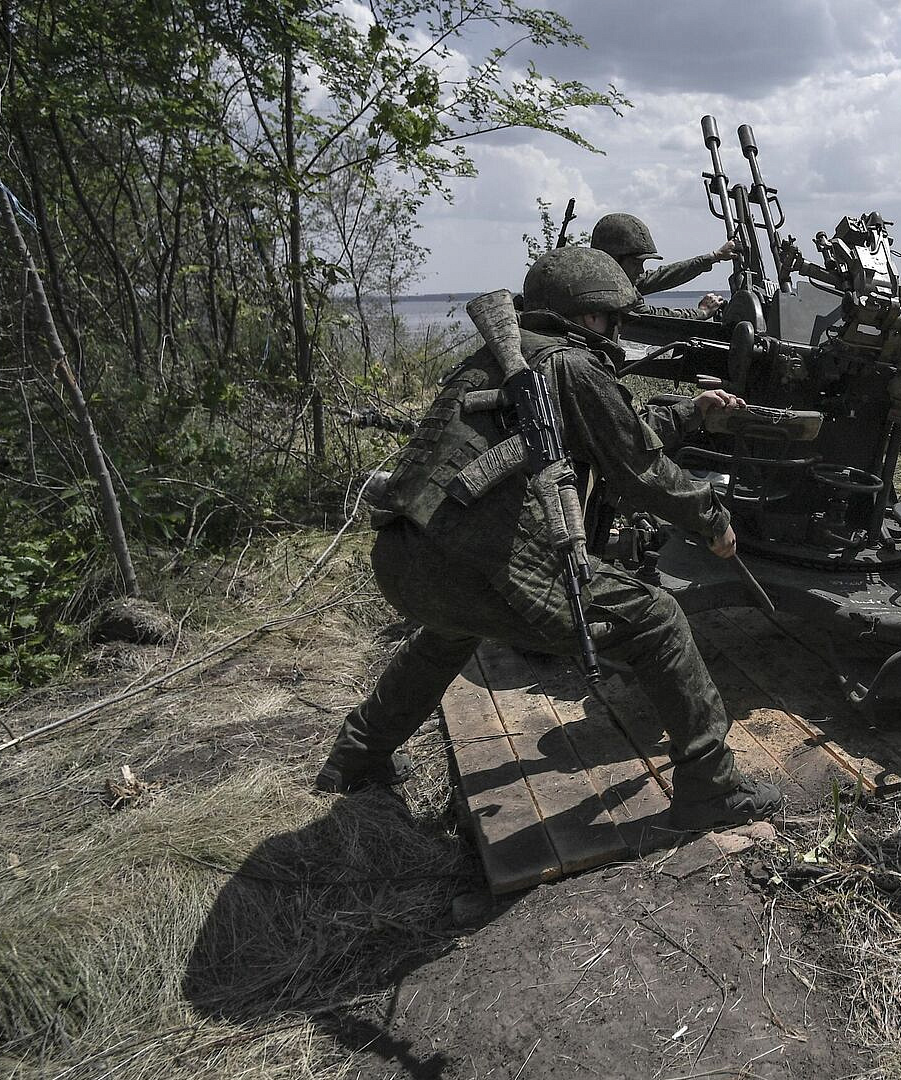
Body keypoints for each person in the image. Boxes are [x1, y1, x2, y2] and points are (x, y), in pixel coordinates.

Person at [317, 246, 783, 831]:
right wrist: (712, 519)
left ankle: (358, 754)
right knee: (659, 619)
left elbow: (603, 432)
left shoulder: (489, 362)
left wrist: (690, 412)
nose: (617, 329)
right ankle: (712, 790)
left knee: (452, 630)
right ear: (590, 316)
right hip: (475, 566)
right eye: (613, 318)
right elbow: (641, 471)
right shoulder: (570, 367)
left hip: (406, 559)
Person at [590, 212, 733, 319]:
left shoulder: (609, 278)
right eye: (635, 263)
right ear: (612, 259)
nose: (641, 270)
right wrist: (702, 312)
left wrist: (714, 256)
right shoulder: (609, 293)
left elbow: (663, 276)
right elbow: (652, 317)